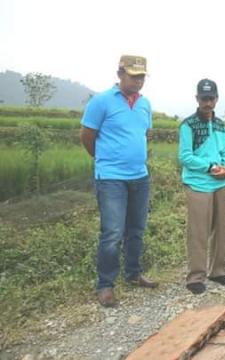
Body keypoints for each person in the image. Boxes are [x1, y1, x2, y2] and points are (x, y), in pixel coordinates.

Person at [80, 55, 157, 307]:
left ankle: (133, 274)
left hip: (140, 176)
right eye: (134, 75)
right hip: (111, 178)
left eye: (142, 76)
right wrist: (104, 160)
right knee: (112, 232)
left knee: (136, 229)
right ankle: (105, 285)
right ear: (120, 74)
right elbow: (87, 136)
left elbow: (145, 134)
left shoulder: (145, 104)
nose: (138, 81)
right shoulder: (101, 102)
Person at [178, 79, 225, 295]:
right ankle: (195, 276)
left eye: (211, 98)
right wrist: (210, 166)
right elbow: (185, 157)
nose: (208, 103)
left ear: (216, 99)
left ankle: (218, 271)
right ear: (197, 99)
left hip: (220, 182)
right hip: (198, 183)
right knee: (199, 232)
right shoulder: (188, 125)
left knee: (221, 229)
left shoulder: (221, 124)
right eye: (204, 99)